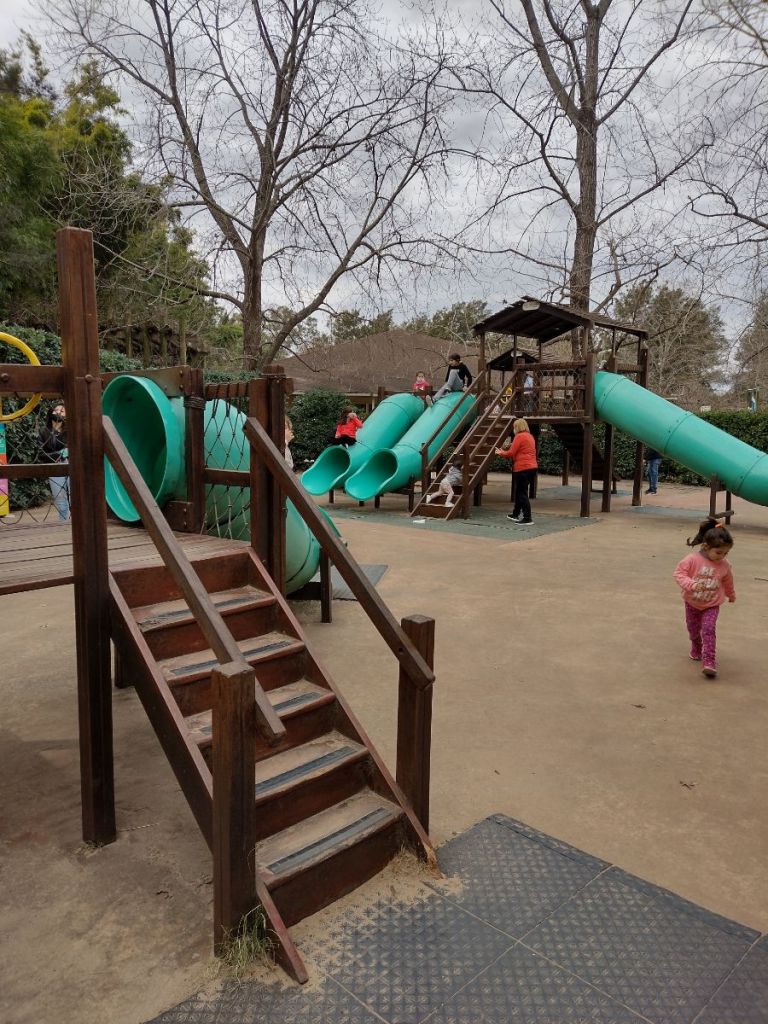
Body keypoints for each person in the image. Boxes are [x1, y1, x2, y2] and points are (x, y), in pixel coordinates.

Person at [673, 518, 736, 678]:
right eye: (719, 552)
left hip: (712, 604)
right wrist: (691, 584)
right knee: (693, 630)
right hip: (692, 603)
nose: (722, 556)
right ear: (706, 547)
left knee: (708, 630)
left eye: (726, 553)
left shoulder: (724, 565)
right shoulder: (692, 559)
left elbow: (728, 581)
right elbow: (679, 574)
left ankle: (709, 661)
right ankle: (696, 645)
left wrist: (731, 594)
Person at [495, 418, 538, 526]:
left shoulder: (519, 436)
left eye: (514, 427)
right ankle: (515, 514)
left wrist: (500, 452)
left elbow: (511, 453)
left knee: (522, 493)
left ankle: (527, 518)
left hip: (522, 468)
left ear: (517, 427)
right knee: (520, 492)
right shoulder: (530, 436)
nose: (513, 429)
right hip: (532, 467)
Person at [39, 403, 70, 522]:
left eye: (62, 411)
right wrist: (59, 454)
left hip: (71, 466)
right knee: (61, 502)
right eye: (56, 410)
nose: (58, 412)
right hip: (55, 467)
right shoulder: (44, 432)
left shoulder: (70, 431)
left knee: (76, 499)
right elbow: (40, 454)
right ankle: (64, 525)